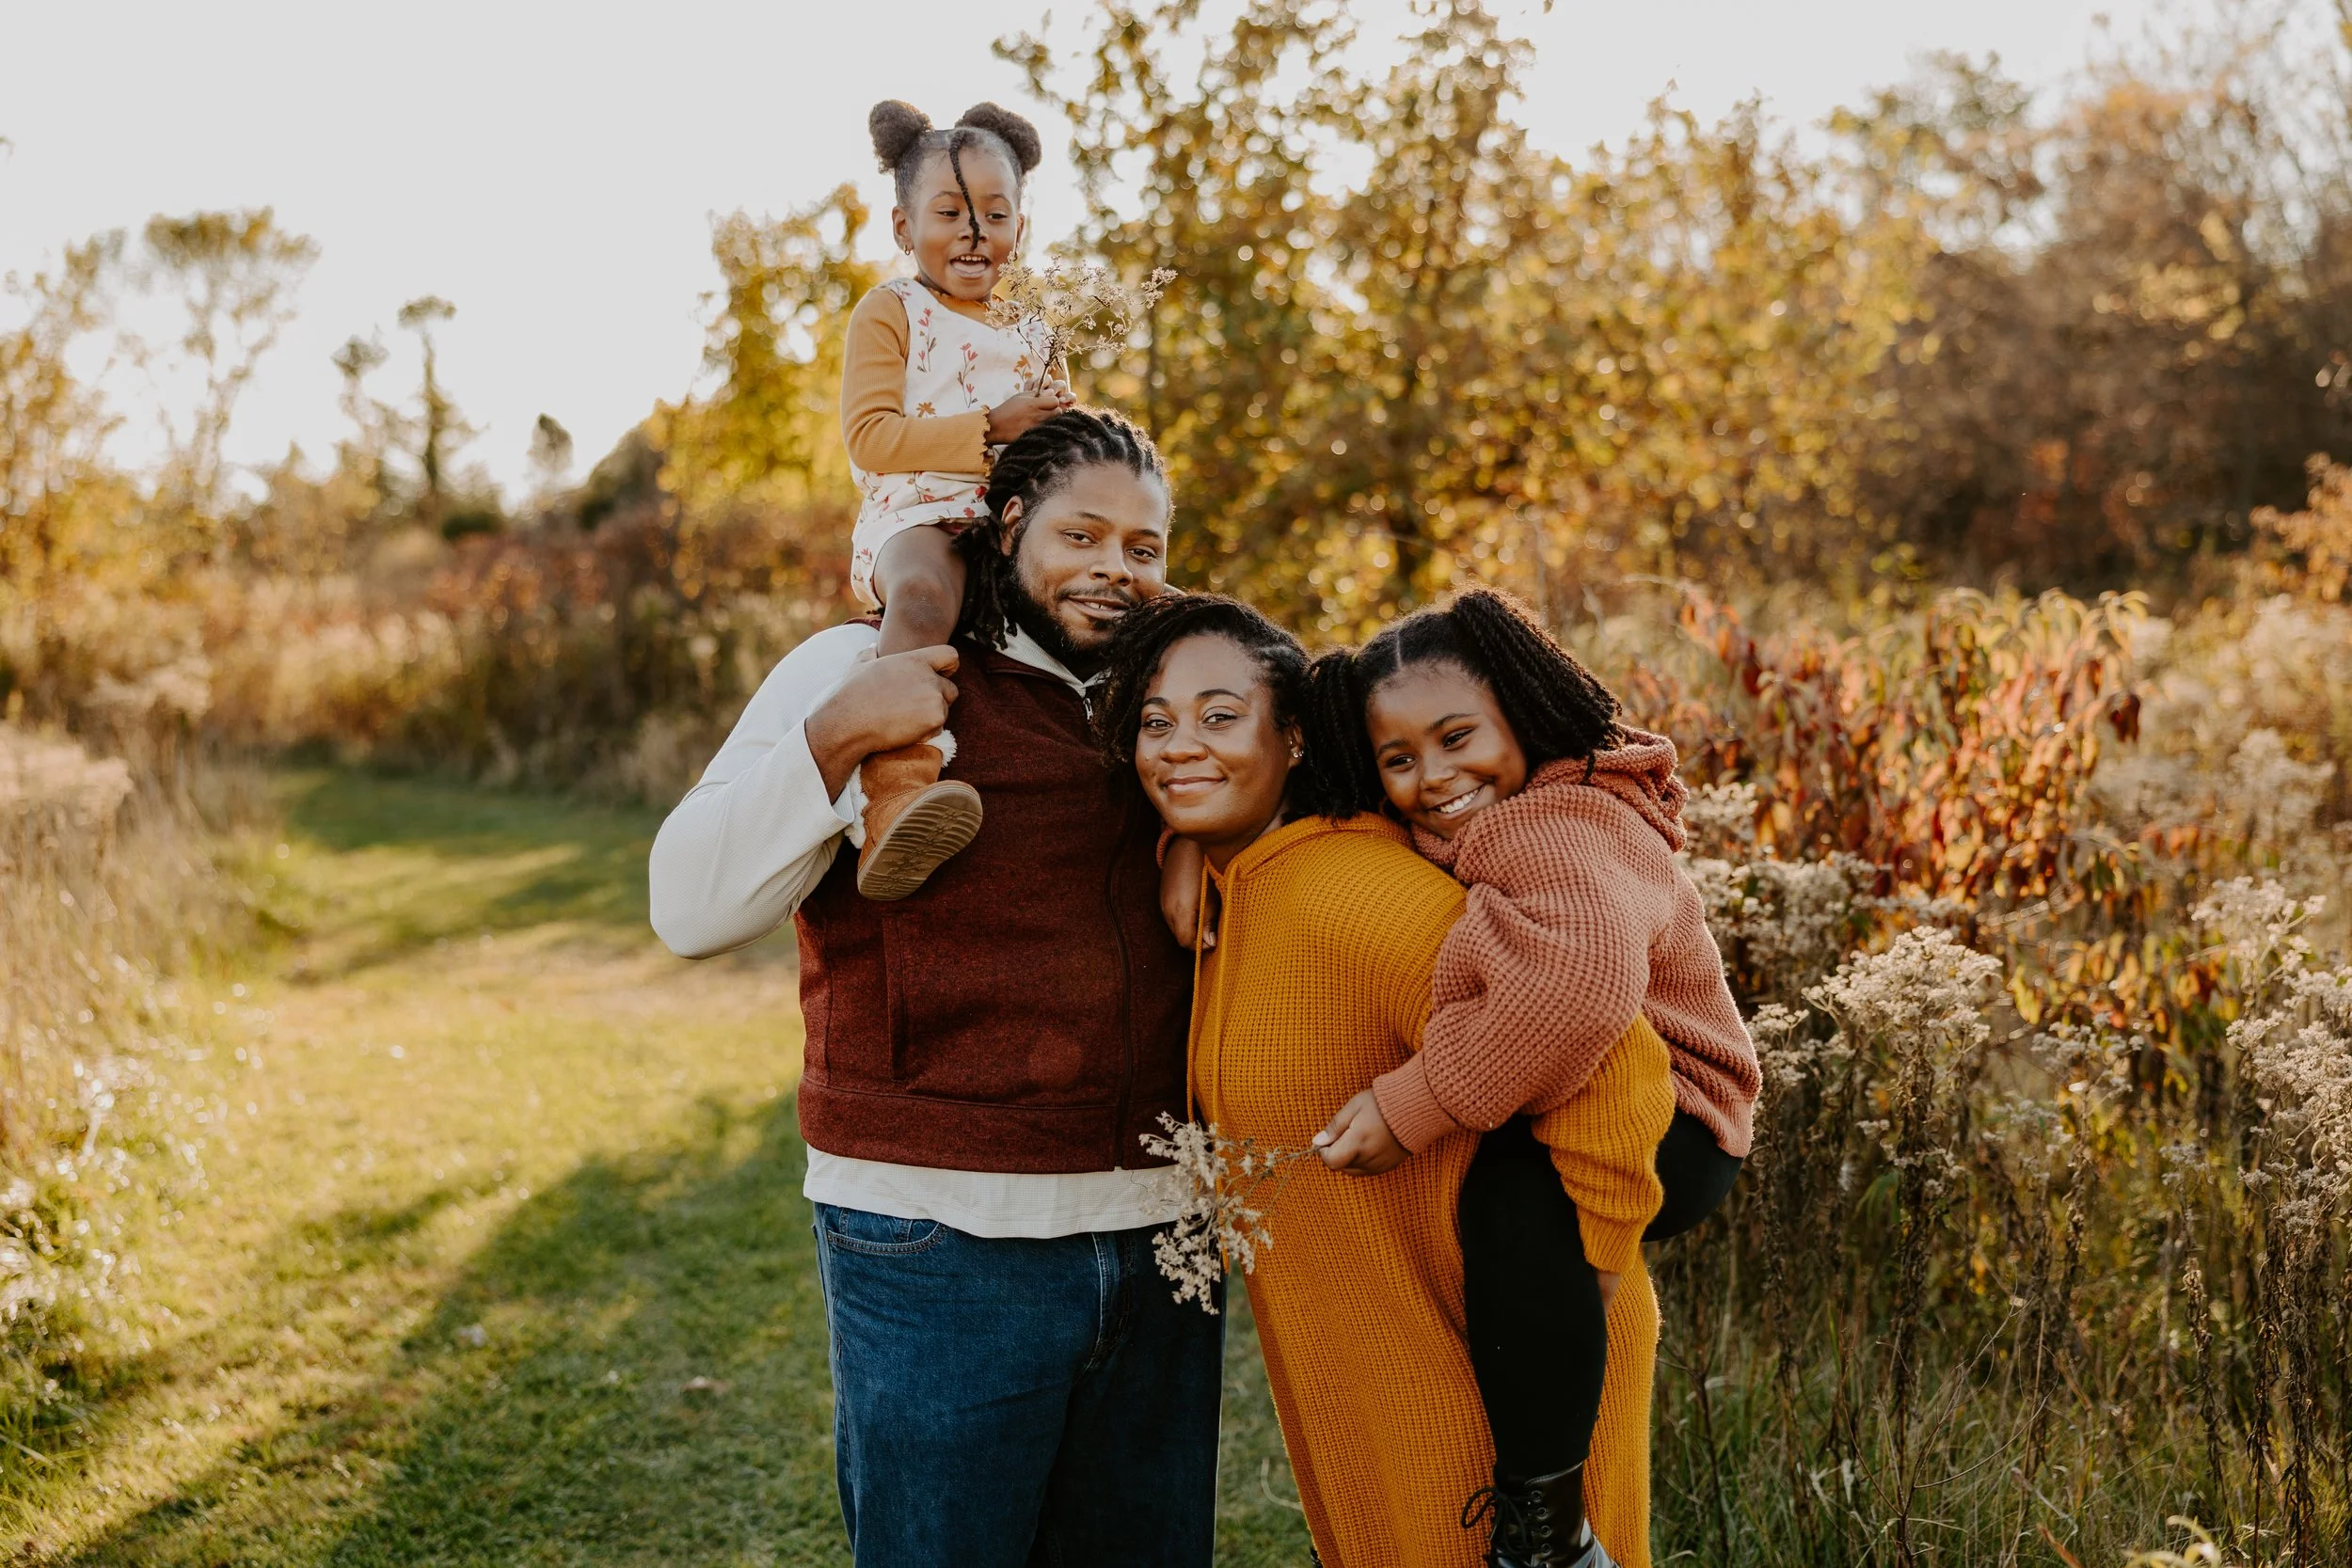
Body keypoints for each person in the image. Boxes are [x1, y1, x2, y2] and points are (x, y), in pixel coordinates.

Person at [648, 410, 1217, 1568]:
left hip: (1164, 1235)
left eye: (1145, 547)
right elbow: (688, 905)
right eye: (1083, 535)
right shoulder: (855, 664)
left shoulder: (1175, 699)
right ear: (1006, 526)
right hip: (940, 1241)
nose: (1117, 569)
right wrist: (841, 732)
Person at [1092, 593, 1666, 1568]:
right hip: (1373, 1397)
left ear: (1300, 738)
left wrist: (1597, 1255)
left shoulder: (1360, 896)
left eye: (1220, 716)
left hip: (1499, 1413)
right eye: (1157, 721)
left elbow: (1616, 1055)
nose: (1180, 745)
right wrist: (1184, 843)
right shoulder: (1250, 886)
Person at [1309, 588, 1763, 1567]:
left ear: (1519, 708)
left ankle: (1543, 1533)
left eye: (1456, 735)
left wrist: (1414, 1101)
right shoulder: (1514, 809)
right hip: (1617, 1100)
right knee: (1510, 1212)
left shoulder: (1550, 826)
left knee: (1521, 1207)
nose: (1433, 776)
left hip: (1681, 1111)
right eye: (1397, 758)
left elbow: (1577, 989)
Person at [838, 98, 1075, 899]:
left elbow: (1058, 438)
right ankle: (895, 796)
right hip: (921, 512)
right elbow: (870, 436)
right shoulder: (891, 311)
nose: (974, 232)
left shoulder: (1039, 325)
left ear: (1020, 226)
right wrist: (990, 426)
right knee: (924, 596)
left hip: (1017, 521)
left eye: (994, 213)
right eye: (949, 212)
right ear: (904, 227)